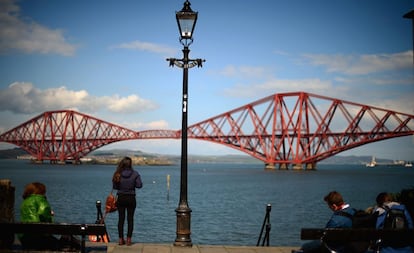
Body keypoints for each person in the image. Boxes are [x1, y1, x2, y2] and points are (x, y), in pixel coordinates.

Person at [19, 182, 80, 251]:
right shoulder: (41, 200)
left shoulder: (24, 202)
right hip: (39, 239)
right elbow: (46, 219)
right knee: (68, 237)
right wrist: (49, 214)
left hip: (25, 239)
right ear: (41, 191)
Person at [112, 156, 143, 246]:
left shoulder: (118, 173)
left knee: (121, 219)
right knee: (130, 219)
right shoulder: (135, 174)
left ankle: (120, 239)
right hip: (131, 198)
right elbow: (139, 185)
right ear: (130, 164)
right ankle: (129, 240)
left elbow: (115, 187)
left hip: (121, 198)